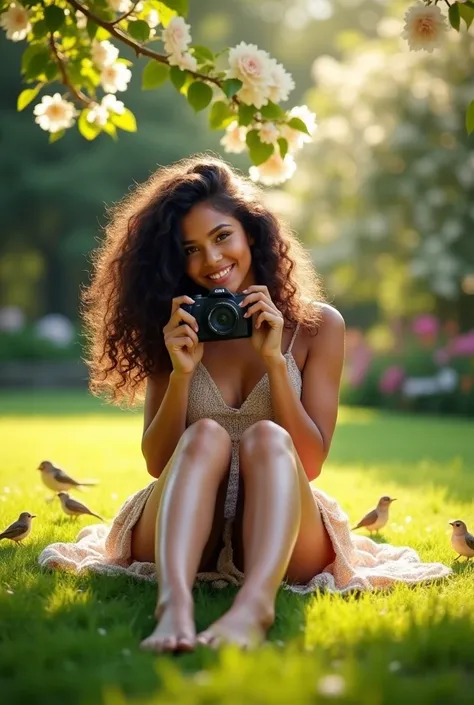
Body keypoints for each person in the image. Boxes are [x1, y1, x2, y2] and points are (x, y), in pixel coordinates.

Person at [38, 154, 451, 652]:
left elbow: (312, 462)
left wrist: (277, 363)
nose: (210, 261)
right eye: (190, 249)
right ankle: (175, 608)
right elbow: (156, 462)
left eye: (221, 237)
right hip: (187, 524)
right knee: (206, 433)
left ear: (251, 233)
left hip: (282, 525)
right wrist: (182, 373)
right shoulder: (176, 326)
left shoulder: (320, 327)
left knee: (268, 435)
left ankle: (254, 608)